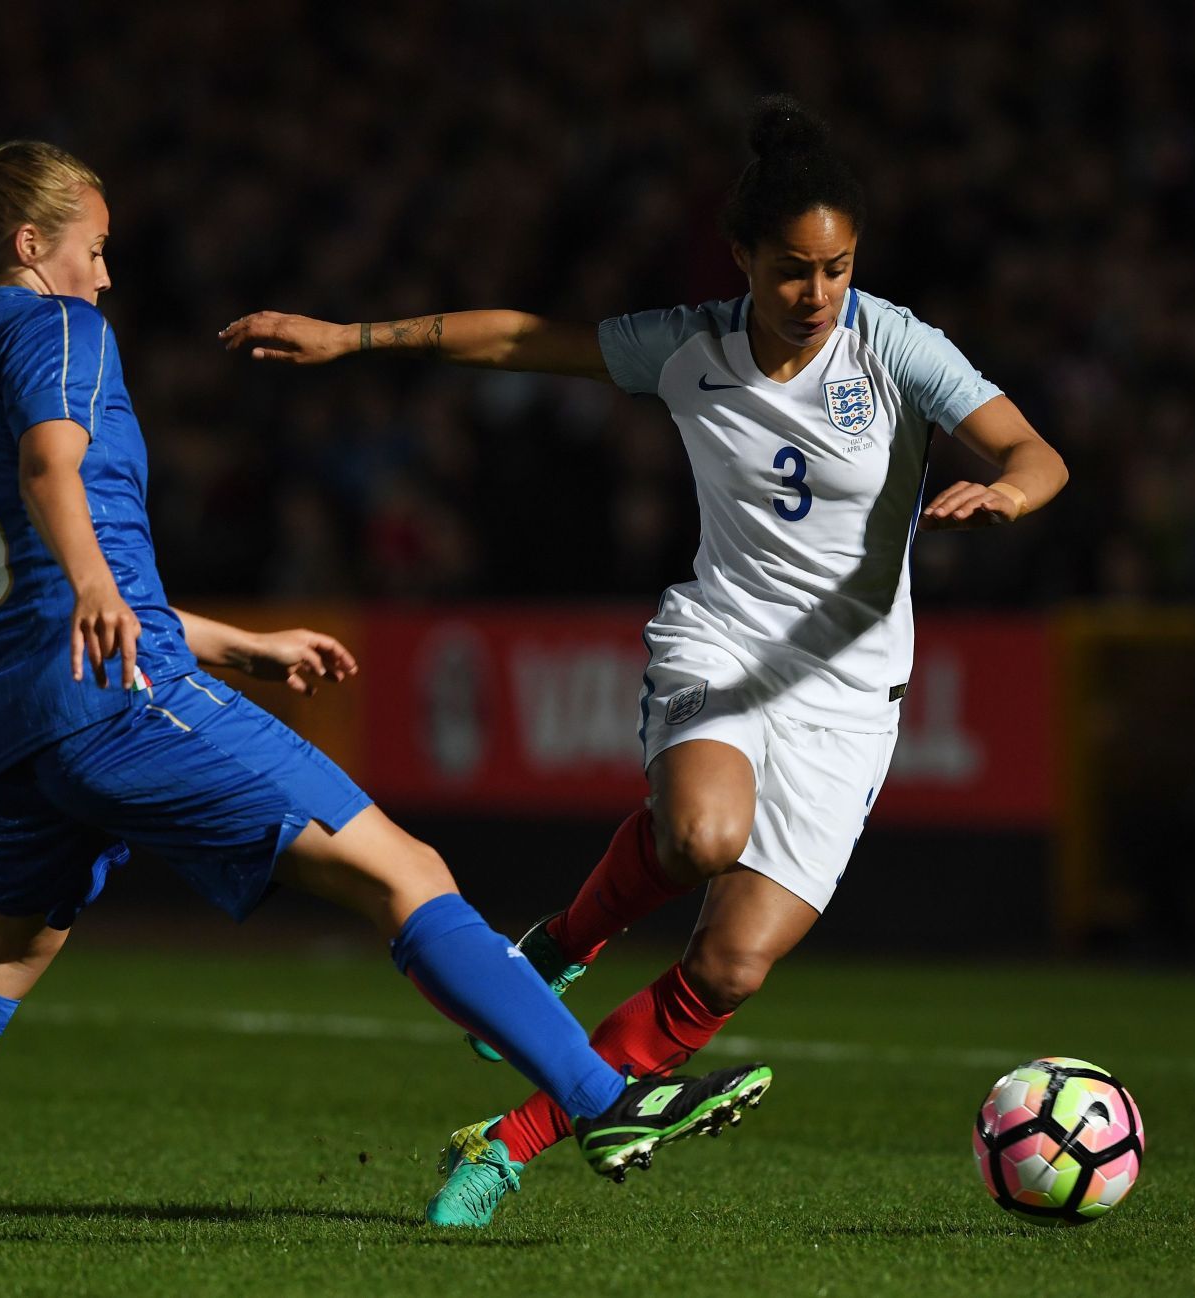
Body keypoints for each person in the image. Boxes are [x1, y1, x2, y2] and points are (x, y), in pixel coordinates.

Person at [0, 132, 773, 1237]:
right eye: (95, 249)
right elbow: (51, 476)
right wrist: (98, 585)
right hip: (111, 696)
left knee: (5, 946)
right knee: (403, 869)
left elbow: (30, 569)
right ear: (33, 245)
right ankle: (603, 1099)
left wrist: (236, 641)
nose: (107, 274)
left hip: (4, 715)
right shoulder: (59, 326)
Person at [221, 93, 1070, 1227]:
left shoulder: (896, 344)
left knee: (730, 971)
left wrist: (1009, 489)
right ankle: (563, 943)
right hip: (723, 638)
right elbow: (527, 338)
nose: (818, 294)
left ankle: (507, 1140)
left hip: (853, 694)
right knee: (701, 834)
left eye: (838, 267)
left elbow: (1034, 447)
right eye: (793, 270)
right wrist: (353, 337)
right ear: (742, 257)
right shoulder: (690, 347)